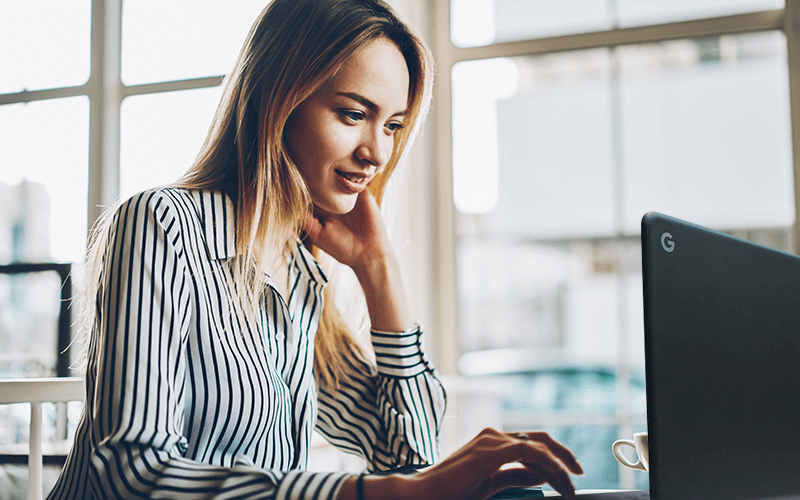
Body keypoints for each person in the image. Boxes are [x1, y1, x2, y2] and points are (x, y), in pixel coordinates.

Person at [47, 1, 584, 499]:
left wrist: (380, 272)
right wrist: (371, 494)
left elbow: (409, 458)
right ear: (280, 101)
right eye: (353, 115)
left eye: (392, 125)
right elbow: (130, 472)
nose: (376, 152)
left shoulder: (301, 273)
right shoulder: (162, 224)